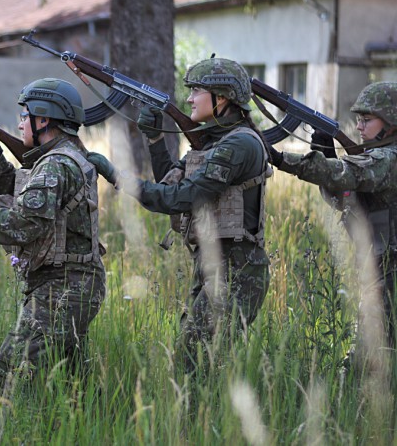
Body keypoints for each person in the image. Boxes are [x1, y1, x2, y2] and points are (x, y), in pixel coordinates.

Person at [0, 78, 114, 389]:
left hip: (63, 286)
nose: (21, 123)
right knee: (71, 382)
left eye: (25, 116)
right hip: (72, 281)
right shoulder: (63, 157)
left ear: (44, 119)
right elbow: (30, 196)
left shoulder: (54, 164)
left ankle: (16, 420)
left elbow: (24, 226)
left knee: (11, 367)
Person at [132, 57, 271, 374]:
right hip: (213, 264)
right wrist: (155, 140)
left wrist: (122, 180)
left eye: (196, 91)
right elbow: (172, 184)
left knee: (192, 360)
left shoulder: (239, 143)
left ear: (221, 98)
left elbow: (185, 197)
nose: (190, 99)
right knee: (195, 363)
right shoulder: (214, 142)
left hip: (237, 270)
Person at [268, 82, 397, 367]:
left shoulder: (388, 159)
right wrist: (327, 156)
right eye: (358, 119)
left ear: (391, 123)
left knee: (367, 359)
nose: (359, 126)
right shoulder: (377, 159)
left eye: (367, 120)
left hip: (390, 272)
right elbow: (347, 200)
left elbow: (348, 173)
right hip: (379, 268)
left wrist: (281, 159)